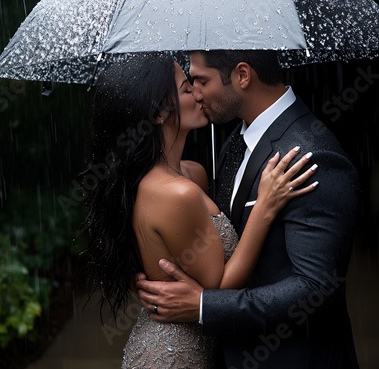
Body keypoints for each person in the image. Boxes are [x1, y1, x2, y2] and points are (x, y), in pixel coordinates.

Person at [80, 52, 317, 368]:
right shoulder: (175, 193)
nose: (198, 92)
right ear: (160, 112)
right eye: (186, 88)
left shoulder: (192, 173)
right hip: (172, 354)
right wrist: (265, 207)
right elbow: (218, 288)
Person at [135, 50, 361, 369]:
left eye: (201, 80)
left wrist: (203, 306)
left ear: (242, 75)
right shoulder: (236, 143)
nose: (195, 92)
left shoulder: (311, 156)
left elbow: (315, 288)